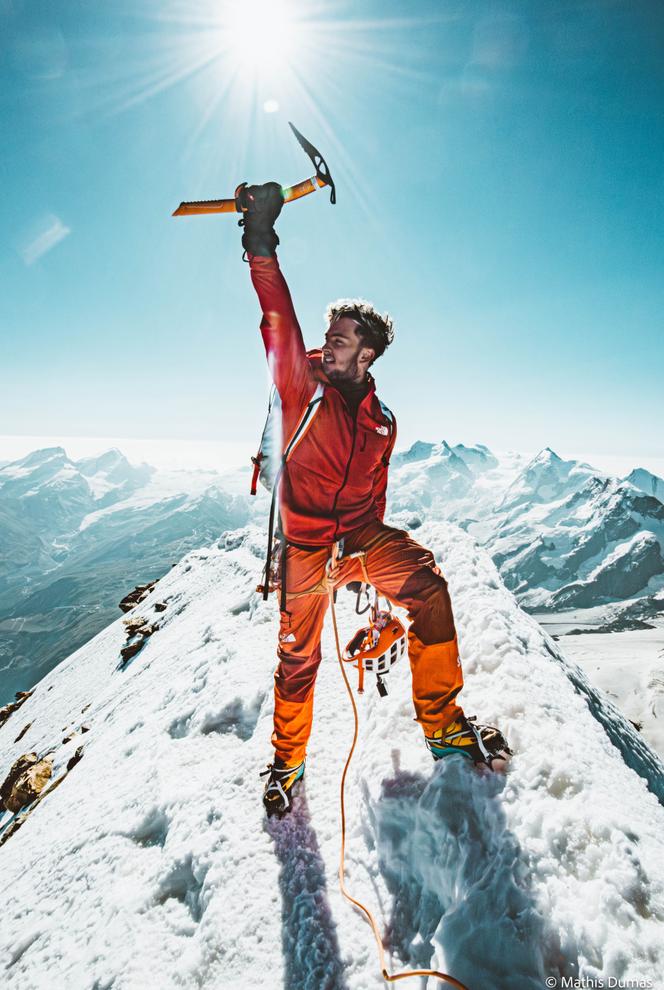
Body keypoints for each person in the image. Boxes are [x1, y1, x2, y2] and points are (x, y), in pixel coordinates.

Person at [237, 182, 511, 816]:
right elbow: (277, 316)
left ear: (367, 353)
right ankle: (287, 763)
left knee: (428, 587)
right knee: (298, 658)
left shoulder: (383, 419)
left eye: (338, 339)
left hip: (360, 539)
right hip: (305, 545)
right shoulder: (299, 384)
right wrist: (260, 243)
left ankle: (442, 725)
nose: (325, 344)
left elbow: (375, 490)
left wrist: (374, 578)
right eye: (328, 335)